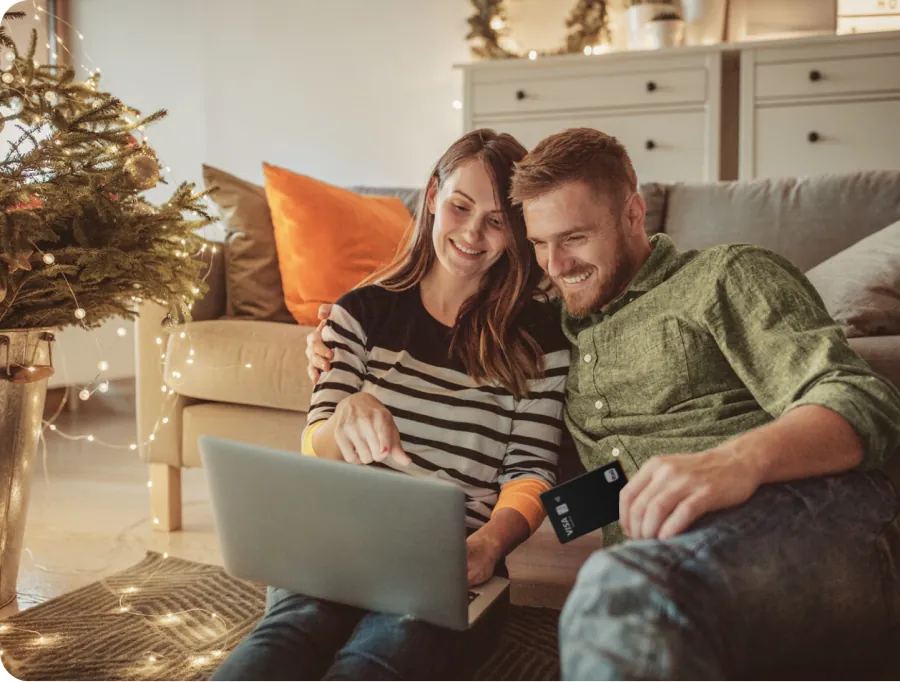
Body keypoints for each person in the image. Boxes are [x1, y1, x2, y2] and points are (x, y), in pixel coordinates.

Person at [308, 127, 900, 682]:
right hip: (668, 562)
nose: (556, 265)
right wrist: (337, 361)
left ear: (633, 213)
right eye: (539, 243)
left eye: (574, 238)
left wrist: (733, 462)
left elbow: (863, 400)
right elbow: (591, 482)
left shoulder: (724, 276)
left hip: (800, 519)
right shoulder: (557, 332)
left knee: (613, 596)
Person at [210, 129, 571, 682]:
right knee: (285, 638)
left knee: (378, 658)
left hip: (450, 567)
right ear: (433, 197)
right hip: (334, 543)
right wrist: (344, 417)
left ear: (516, 232)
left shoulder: (538, 340)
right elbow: (316, 444)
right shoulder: (361, 312)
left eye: (496, 220)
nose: (472, 233)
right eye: (460, 206)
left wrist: (489, 544)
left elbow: (530, 470)